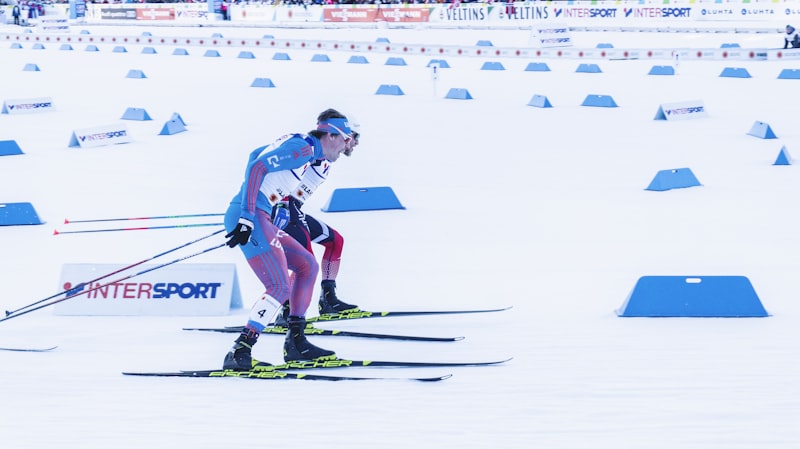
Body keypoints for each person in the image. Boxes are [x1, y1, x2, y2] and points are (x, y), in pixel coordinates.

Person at [222, 111, 354, 371]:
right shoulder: (303, 149)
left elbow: (254, 155)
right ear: (330, 135)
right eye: (344, 138)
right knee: (278, 285)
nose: (346, 145)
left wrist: (272, 204)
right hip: (250, 214)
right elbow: (257, 167)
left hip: (260, 214)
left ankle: (296, 343)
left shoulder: (307, 150)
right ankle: (240, 350)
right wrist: (247, 215)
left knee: (307, 265)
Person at [271, 109, 361, 325]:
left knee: (335, 241)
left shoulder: (330, 156)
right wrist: (279, 204)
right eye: (353, 138)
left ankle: (328, 300)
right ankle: (288, 312)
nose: (354, 144)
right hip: (285, 208)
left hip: (296, 209)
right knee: (306, 261)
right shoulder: (316, 151)